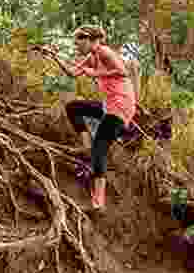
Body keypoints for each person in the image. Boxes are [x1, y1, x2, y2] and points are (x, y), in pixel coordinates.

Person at [39, 25, 136, 210]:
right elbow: (72, 73)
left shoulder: (105, 52)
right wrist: (52, 55)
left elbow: (123, 72)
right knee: (73, 107)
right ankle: (86, 145)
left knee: (99, 149)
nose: (77, 48)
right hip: (109, 106)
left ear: (89, 39)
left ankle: (98, 201)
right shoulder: (92, 57)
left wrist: (95, 73)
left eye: (79, 43)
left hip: (121, 106)